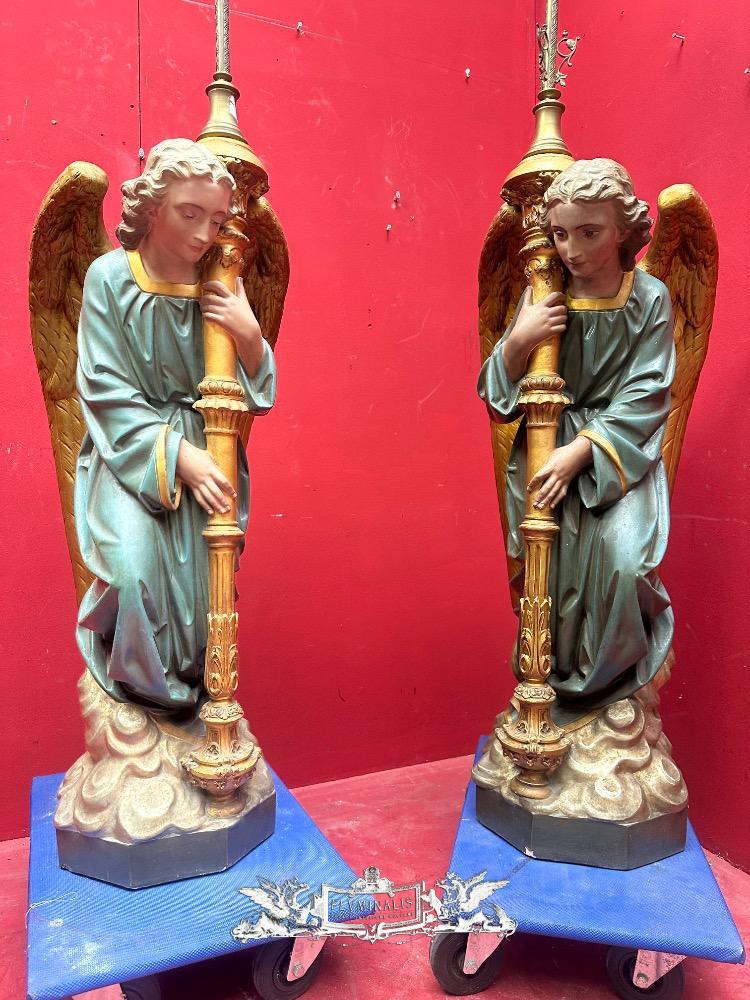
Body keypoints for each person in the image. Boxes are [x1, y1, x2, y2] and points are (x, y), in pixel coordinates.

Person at [74, 138, 276, 713]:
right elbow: (104, 387)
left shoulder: (220, 277)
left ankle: (192, 703)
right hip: (133, 455)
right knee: (132, 574)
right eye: (190, 214)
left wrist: (249, 334)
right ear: (153, 206)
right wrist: (179, 456)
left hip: (209, 445)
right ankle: (148, 703)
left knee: (203, 595)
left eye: (216, 220)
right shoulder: (110, 278)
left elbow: (256, 392)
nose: (204, 234)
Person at [478, 158, 675, 724]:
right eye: (560, 234)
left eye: (589, 232)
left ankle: (611, 693)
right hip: (544, 446)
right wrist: (520, 342)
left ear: (623, 230)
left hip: (614, 457)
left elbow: (647, 393)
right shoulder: (545, 291)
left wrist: (579, 451)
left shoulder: (649, 298)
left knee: (624, 565)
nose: (571, 250)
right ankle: (556, 689)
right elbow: (495, 395)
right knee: (550, 573)